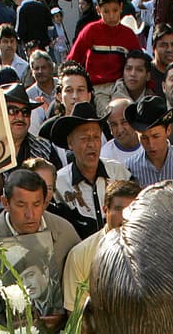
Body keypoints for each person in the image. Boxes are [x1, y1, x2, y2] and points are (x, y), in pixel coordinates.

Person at [0, 169, 79, 324]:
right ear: (5, 203)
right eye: (21, 205)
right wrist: (5, 324)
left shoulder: (63, 231)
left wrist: (68, 315)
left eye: (36, 204)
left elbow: (80, 280)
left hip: (62, 332)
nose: (30, 214)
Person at [49, 102, 132, 238]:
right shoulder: (58, 184)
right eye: (84, 138)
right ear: (70, 143)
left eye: (96, 138)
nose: (92, 144)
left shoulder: (120, 173)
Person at [63, 179, 141, 318]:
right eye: (119, 209)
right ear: (105, 210)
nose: (126, 216)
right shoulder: (80, 255)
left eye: (133, 209)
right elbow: (77, 317)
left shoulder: (155, 252)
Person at [124, 94, 173, 184]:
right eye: (144, 137)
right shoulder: (129, 168)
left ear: (168, 130)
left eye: (156, 136)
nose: (151, 144)